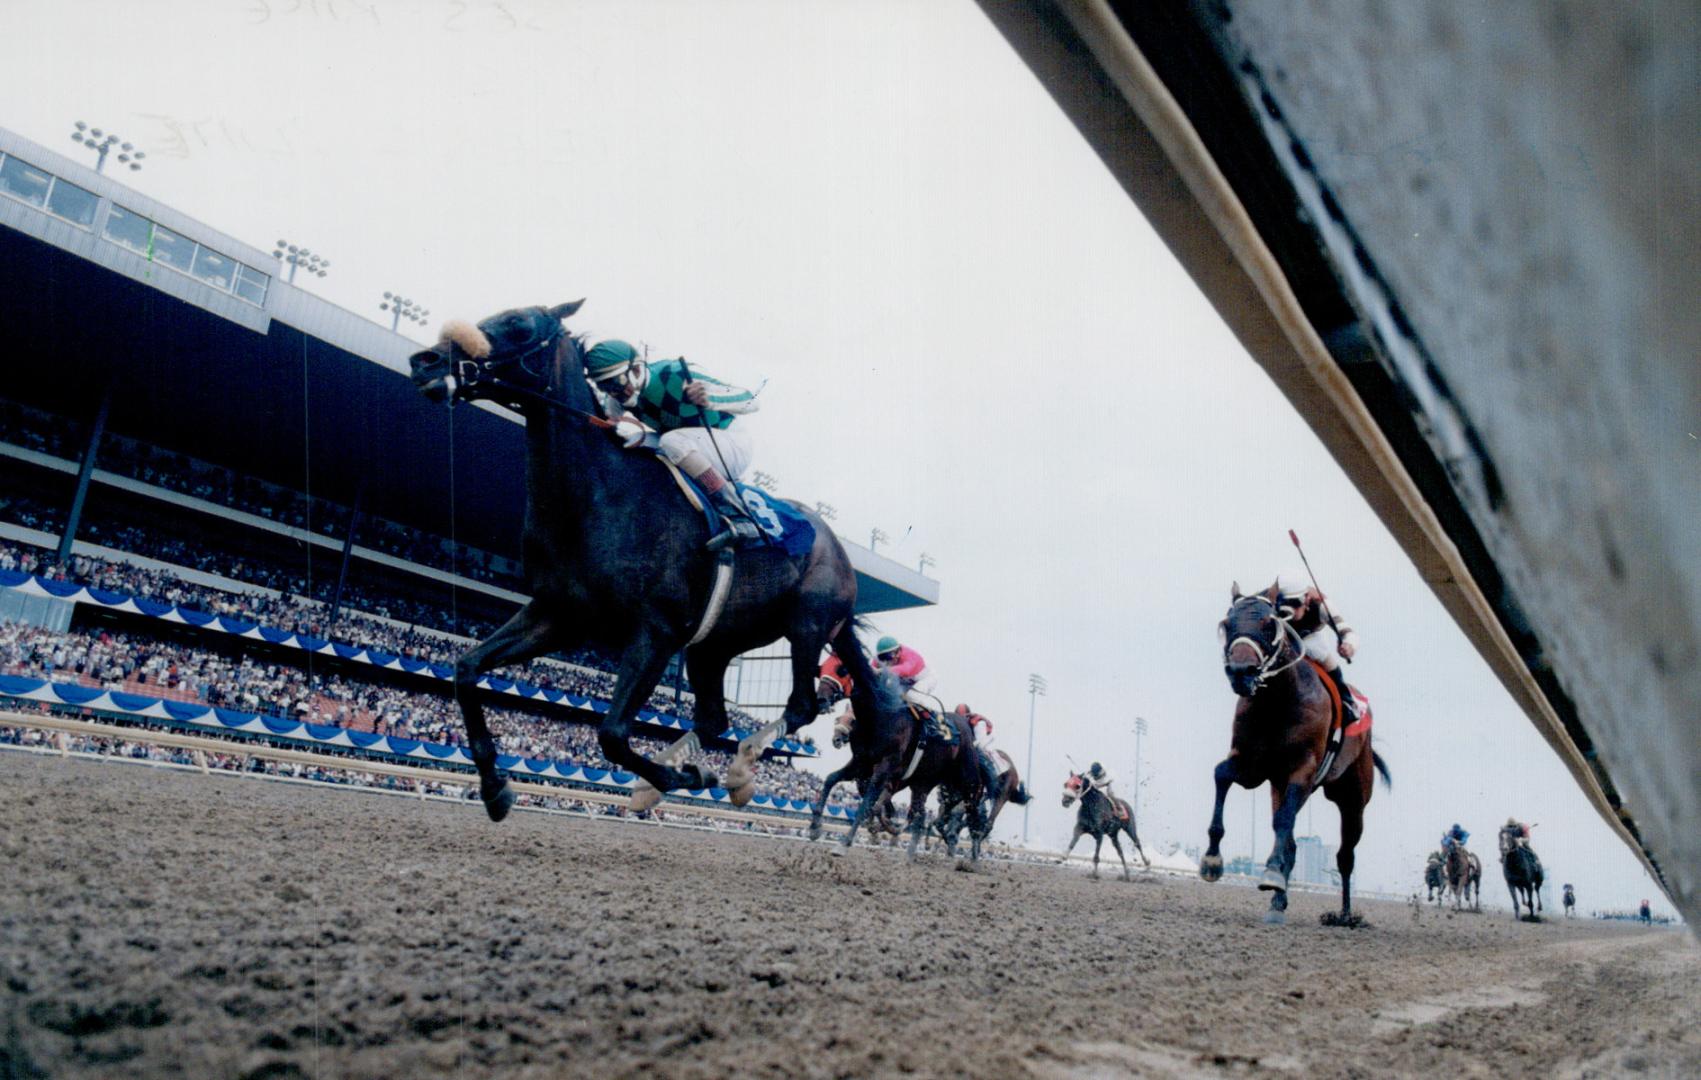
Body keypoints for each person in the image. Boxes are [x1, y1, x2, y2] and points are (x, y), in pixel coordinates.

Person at [585, 339, 762, 549]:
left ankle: (739, 515)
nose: (614, 393)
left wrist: (710, 397)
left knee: (672, 441)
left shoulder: (676, 373)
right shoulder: (619, 395)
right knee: (632, 443)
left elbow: (752, 400)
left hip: (730, 442)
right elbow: (608, 423)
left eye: (616, 383)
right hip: (689, 445)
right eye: (605, 387)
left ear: (635, 369)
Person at [1272, 569, 1362, 723]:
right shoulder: (1269, 597)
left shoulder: (1321, 605)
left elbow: (1348, 631)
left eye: (1295, 603)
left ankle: (1346, 701)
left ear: (1306, 598)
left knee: (1322, 655)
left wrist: (1349, 646)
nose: (1291, 610)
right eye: (1285, 604)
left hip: (1309, 637)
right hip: (1281, 636)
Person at [873, 635, 935, 711]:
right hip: (907, 681)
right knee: (890, 694)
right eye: (883, 657)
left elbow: (905, 670)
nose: (887, 661)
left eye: (889, 656)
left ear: (898, 652)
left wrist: (880, 670)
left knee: (912, 696)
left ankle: (930, 716)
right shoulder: (878, 658)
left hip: (925, 679)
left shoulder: (909, 655)